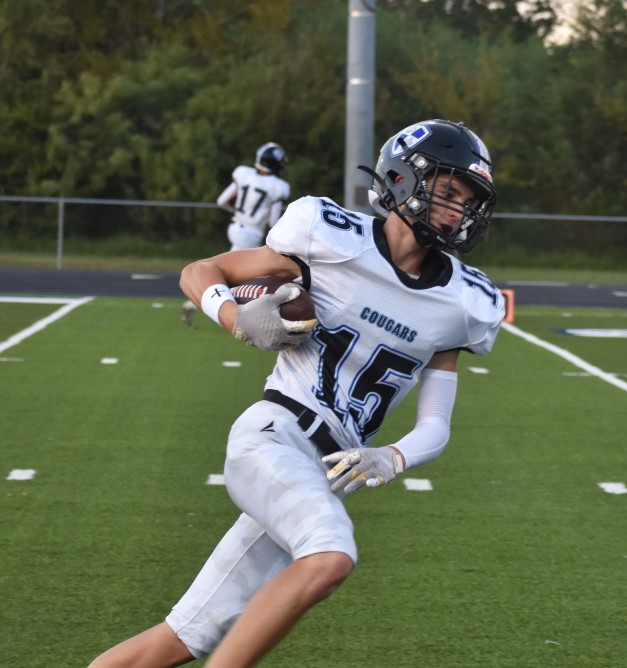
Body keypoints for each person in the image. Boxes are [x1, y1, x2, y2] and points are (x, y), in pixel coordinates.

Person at [90, 119, 504, 668]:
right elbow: (201, 271)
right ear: (403, 178)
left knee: (181, 638)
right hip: (274, 436)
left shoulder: (464, 303)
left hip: (323, 475)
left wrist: (393, 455)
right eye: (448, 191)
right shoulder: (328, 235)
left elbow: (436, 424)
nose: (456, 211)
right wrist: (236, 317)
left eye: (468, 201)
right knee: (331, 555)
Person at [182, 142, 291, 326]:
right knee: (238, 277)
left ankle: (197, 304)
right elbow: (273, 221)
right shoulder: (278, 186)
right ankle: (205, 306)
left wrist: (239, 212)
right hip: (252, 233)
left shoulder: (244, 174)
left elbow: (222, 201)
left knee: (233, 275)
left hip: (236, 227)